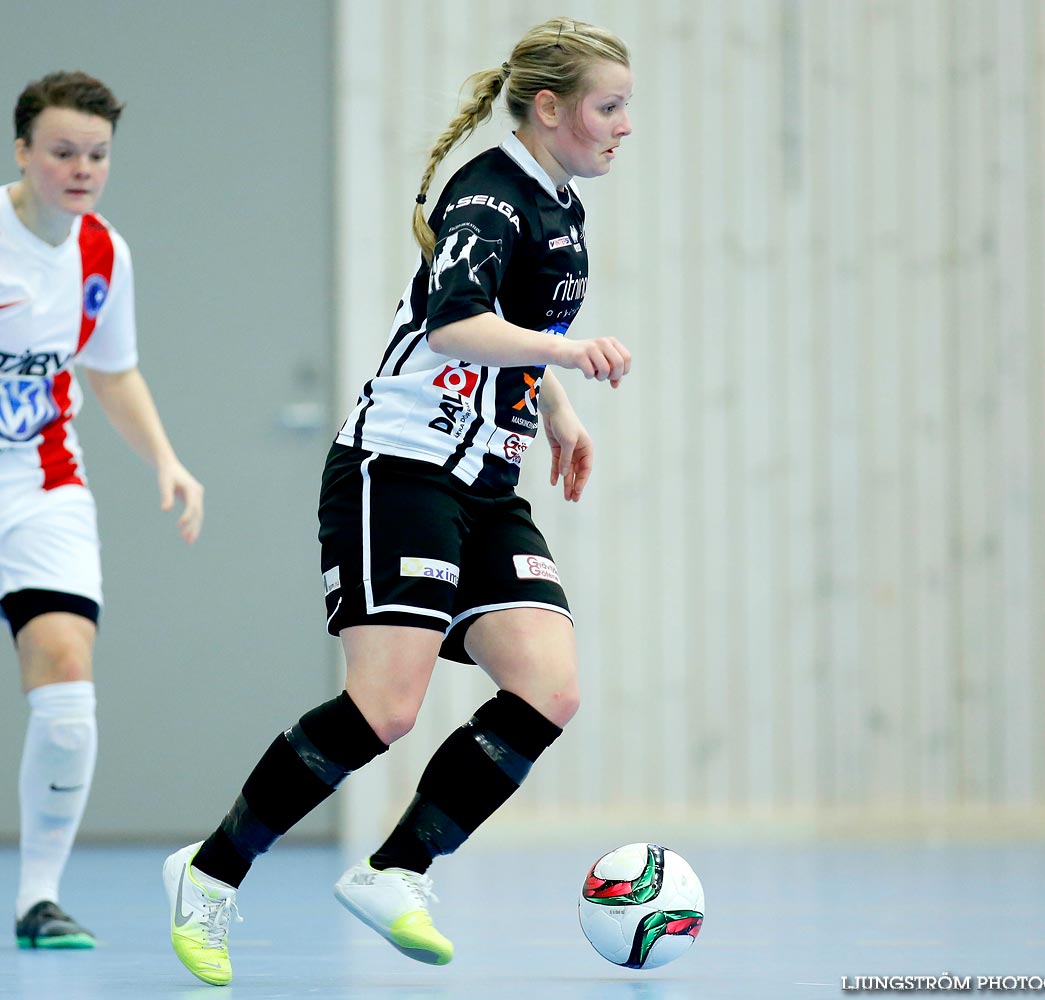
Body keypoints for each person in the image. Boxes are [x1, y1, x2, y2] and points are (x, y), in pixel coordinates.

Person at [162, 15, 633, 986]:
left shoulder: (560, 206)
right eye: (608, 106)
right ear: (548, 109)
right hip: (399, 470)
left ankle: (398, 871)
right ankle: (209, 875)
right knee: (384, 707)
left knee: (549, 686)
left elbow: (512, 326)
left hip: (487, 483)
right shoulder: (491, 195)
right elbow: (455, 319)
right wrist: (565, 351)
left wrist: (558, 411)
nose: (624, 126)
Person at [2, 71, 205, 949]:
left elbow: (111, 371)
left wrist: (165, 458)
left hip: (41, 485)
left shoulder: (103, 254)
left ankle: (36, 900)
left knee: (68, 689)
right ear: (22, 152)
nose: (81, 169)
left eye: (97, 155)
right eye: (62, 152)